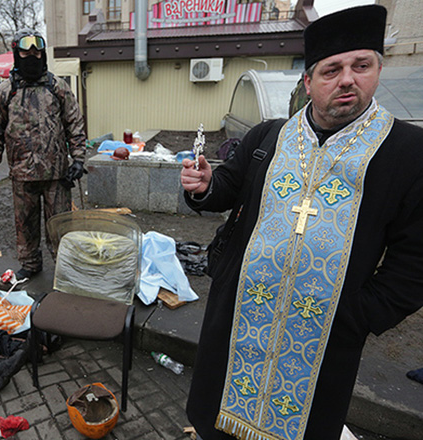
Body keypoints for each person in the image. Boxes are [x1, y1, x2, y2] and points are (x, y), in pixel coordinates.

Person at [180, 6, 423, 440]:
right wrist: (204, 187)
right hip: (236, 317)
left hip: (325, 334)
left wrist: (358, 313)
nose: (347, 80)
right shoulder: (269, 136)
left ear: (378, 70)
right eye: (332, 70)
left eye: (361, 66)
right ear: (308, 82)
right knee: (216, 421)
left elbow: (416, 259)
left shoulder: (408, 153)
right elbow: (226, 188)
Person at [0, 28, 87, 281]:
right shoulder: (6, 91)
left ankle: (65, 268)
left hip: (56, 174)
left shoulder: (57, 87)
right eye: (25, 52)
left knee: (60, 225)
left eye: (37, 52)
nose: (32, 56)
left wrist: (78, 159)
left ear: (43, 54)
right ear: (16, 54)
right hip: (22, 173)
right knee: (25, 224)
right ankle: (30, 264)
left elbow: (74, 123)